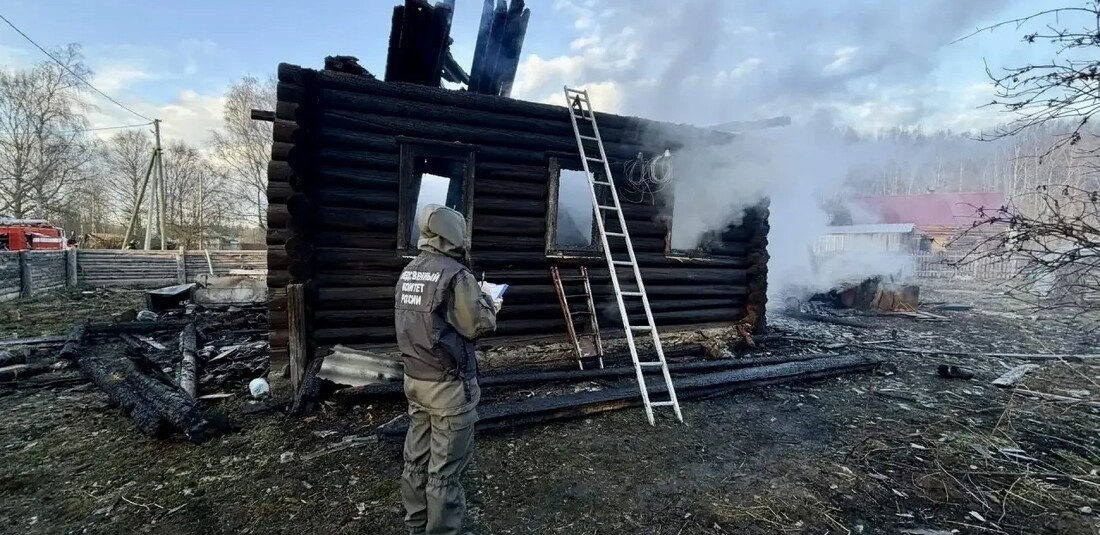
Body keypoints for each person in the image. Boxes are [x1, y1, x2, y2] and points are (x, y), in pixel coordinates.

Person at [395, 204, 500, 535]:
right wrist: (490, 304)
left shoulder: (410, 270)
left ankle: (416, 524)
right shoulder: (456, 275)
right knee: (444, 471)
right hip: (447, 386)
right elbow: (477, 325)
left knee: (417, 460)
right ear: (453, 233)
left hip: (415, 379)